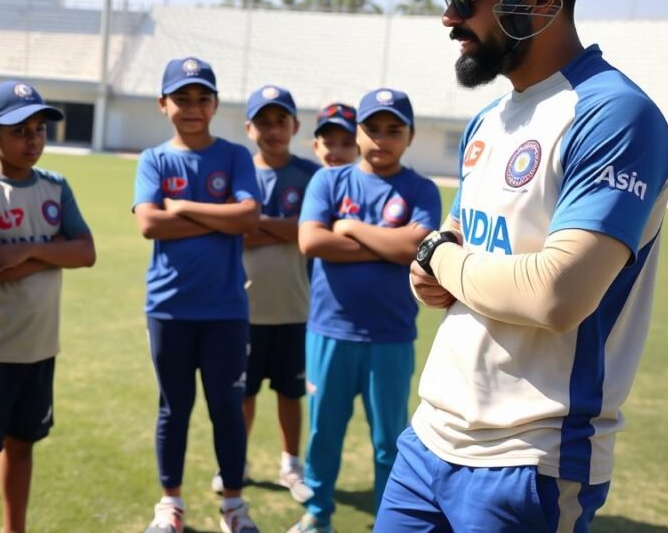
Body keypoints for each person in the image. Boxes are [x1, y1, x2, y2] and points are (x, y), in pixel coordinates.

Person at [376, 0, 668, 532]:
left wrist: (441, 259)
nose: (449, 16)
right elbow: (457, 246)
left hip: (531, 459)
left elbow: (556, 295)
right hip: (429, 436)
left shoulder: (615, 115)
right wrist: (431, 274)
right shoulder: (489, 121)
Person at [291, 88, 441, 533]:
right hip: (329, 331)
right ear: (358, 133)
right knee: (323, 436)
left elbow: (416, 248)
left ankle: (389, 520)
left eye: (394, 129)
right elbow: (312, 242)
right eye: (372, 129)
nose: (382, 138)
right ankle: (318, 515)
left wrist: (353, 228)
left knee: (387, 441)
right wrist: (387, 245)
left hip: (390, 336)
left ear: (410, 136)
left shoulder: (420, 188)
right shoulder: (329, 181)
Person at [0, 80, 96, 533]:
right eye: (20, 131)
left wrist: (26, 250)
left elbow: (86, 252)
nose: (33, 140)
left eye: (39, 129)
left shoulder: (56, 186)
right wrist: (51, 249)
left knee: (23, 446)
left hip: (39, 347)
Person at [133, 57, 262, 533]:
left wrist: (183, 206)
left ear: (215, 103)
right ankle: (170, 505)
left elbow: (248, 217)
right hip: (168, 307)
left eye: (201, 97)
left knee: (226, 407)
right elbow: (148, 223)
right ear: (163, 104)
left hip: (226, 308)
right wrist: (218, 213)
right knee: (174, 407)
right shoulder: (154, 159)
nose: (192, 107)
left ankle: (233, 505)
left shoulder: (233, 156)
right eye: (181, 98)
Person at [214, 84, 318, 503]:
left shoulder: (311, 175)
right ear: (248, 127)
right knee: (243, 394)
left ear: (294, 126)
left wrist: (259, 225)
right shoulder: (240, 173)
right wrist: (283, 228)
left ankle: (291, 465)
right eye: (263, 121)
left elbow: (309, 232)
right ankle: (235, 463)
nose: (272, 130)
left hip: (296, 307)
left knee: (291, 395)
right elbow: (230, 233)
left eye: (280, 121)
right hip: (242, 310)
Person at [311, 103, 360, 168]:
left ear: (360, 149)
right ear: (316, 147)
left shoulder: (370, 177)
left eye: (347, 144)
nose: (336, 151)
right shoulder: (304, 176)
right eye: (329, 143)